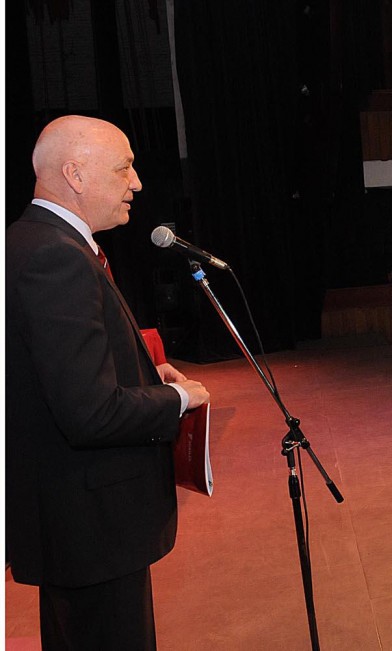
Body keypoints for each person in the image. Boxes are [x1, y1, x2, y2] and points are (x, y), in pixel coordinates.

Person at [6, 116, 211, 649]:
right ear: (74, 174)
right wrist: (176, 398)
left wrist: (142, 372)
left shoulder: (30, 243)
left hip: (71, 523)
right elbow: (89, 412)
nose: (137, 183)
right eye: (124, 168)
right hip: (91, 525)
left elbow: (52, 371)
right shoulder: (56, 257)